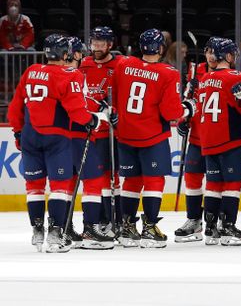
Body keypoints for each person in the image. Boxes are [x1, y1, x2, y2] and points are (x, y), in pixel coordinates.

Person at [8, 34, 108, 252]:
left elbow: (16, 105)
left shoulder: (31, 70)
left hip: (29, 135)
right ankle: (56, 235)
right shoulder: (69, 75)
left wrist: (17, 132)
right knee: (60, 186)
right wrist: (93, 119)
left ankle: (37, 233)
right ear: (65, 54)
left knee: (34, 187)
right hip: (56, 136)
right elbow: (76, 110)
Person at [111, 29, 194, 248]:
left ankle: (127, 228)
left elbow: (117, 96)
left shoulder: (123, 65)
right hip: (152, 135)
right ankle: (149, 228)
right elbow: (170, 113)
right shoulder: (168, 72)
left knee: (131, 180)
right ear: (160, 48)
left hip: (126, 133)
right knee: (154, 180)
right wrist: (187, 109)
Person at [184, 38, 241, 245]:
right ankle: (227, 228)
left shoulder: (206, 78)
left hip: (208, 140)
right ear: (227, 56)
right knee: (232, 185)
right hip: (231, 139)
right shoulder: (236, 77)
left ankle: (210, 228)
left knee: (214, 183)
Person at [63, 37, 116, 249]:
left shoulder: (46, 72)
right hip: (78, 133)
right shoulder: (75, 74)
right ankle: (91, 229)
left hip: (59, 137)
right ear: (74, 54)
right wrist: (98, 116)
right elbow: (79, 105)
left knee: (66, 183)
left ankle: (61, 228)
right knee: (93, 180)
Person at [174, 36, 221, 243]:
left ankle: (213, 221)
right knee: (192, 178)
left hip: (217, 137)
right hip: (197, 135)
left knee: (214, 181)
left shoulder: (228, 73)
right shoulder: (196, 71)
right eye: (208, 51)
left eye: (215, 52)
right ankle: (194, 221)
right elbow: (188, 98)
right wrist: (185, 117)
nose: (211, 56)